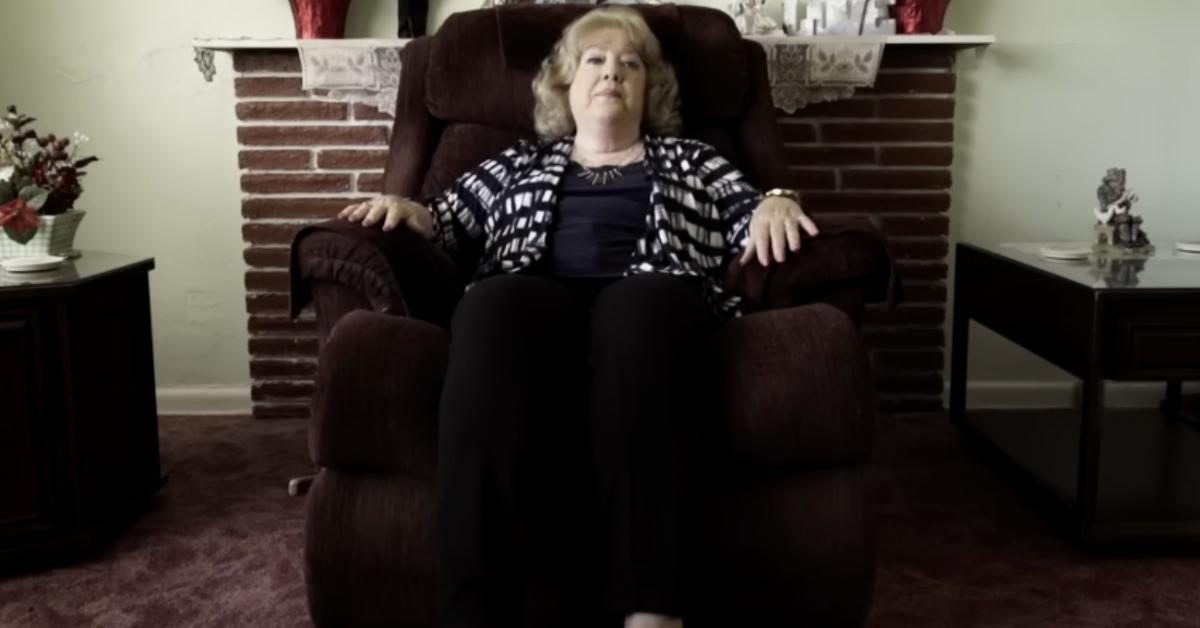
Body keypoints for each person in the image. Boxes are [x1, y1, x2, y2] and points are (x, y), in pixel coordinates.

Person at [336, 6, 817, 628]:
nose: (611, 72)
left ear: (651, 88)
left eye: (630, 63)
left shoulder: (692, 160)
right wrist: (407, 210)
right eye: (594, 60)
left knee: (637, 306)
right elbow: (445, 215)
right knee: (491, 303)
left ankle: (651, 612)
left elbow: (753, 210)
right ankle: (476, 612)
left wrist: (778, 202)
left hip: (652, 299)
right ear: (566, 83)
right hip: (534, 298)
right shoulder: (521, 162)